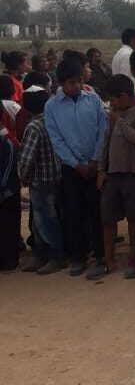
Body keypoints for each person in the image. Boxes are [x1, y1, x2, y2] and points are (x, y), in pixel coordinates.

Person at [44, 58, 108, 276]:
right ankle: (78, 256)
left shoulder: (93, 99)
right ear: (61, 82)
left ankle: (101, 254)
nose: (78, 86)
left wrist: (95, 160)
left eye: (80, 80)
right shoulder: (52, 106)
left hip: (94, 164)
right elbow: (56, 139)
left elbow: (102, 129)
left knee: (97, 211)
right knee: (73, 212)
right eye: (72, 82)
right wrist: (75, 164)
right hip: (71, 168)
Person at [89, 75, 135, 280]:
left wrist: (120, 122)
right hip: (112, 174)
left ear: (124, 97)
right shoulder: (114, 114)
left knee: (134, 217)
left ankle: (134, 258)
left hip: (133, 173)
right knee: (108, 218)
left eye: (113, 99)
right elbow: (105, 142)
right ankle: (108, 260)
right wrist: (101, 169)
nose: (112, 104)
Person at [17, 85, 66, 275]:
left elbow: (26, 159)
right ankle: (42, 254)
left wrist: (23, 176)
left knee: (45, 220)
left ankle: (55, 256)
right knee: (46, 218)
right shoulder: (54, 120)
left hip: (41, 179)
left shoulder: (33, 127)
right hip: (57, 175)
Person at [0, 114, 20, 272]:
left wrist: (2, 188)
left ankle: (11, 260)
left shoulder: (7, 141)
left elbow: (9, 169)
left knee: (9, 226)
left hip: (8, 192)